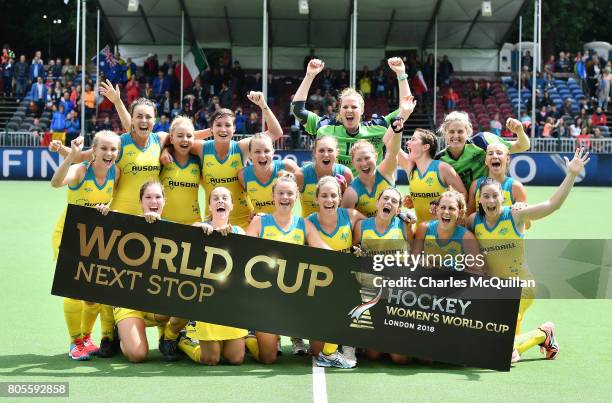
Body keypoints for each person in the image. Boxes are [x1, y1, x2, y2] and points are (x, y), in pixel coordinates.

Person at [466, 148, 590, 363]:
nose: (490, 200)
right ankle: (544, 333)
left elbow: (552, 205)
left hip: (520, 288)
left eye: (495, 196)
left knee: (503, 354)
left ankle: (540, 334)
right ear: (480, 199)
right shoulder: (473, 221)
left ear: (502, 198)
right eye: (486, 196)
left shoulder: (515, 215)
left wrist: (571, 175)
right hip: (494, 291)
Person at [245, 174, 331, 364]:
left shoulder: (304, 225)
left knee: (319, 353)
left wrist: (353, 260)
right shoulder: (259, 223)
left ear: (296, 197)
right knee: (268, 358)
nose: (285, 197)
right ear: (273, 196)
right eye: (281, 193)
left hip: (296, 299)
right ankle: (251, 338)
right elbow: (241, 252)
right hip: (266, 298)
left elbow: (327, 252)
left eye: (290, 193)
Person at [50, 132, 121, 361]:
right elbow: (55, 183)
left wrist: (108, 209)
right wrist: (71, 155)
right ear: (94, 150)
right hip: (69, 234)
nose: (109, 154)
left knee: (93, 295)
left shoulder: (115, 173)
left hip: (94, 239)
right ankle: (74, 341)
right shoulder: (81, 170)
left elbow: (113, 202)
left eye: (113, 150)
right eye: (104, 149)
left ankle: (87, 338)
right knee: (73, 289)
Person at [166, 187, 249, 366]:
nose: (220, 201)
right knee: (210, 359)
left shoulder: (240, 232)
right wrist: (200, 231)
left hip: (231, 305)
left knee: (236, 359)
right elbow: (190, 233)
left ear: (231, 206)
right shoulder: (201, 228)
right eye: (216, 198)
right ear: (210, 206)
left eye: (225, 198)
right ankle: (184, 341)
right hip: (206, 303)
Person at [291, 57, 412, 173]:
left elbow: (406, 107)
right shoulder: (324, 127)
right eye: (345, 107)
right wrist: (309, 76)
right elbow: (297, 110)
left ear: (362, 110)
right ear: (339, 110)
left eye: (354, 107)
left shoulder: (379, 127)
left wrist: (401, 74)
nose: (349, 110)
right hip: (335, 191)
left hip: (370, 191)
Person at [309, 176, 365, 368]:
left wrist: (401, 215)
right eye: (324, 196)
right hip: (321, 285)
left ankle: (349, 345)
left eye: (333, 195)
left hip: (347, 283)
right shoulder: (308, 222)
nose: (329, 200)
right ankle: (299, 337)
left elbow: (378, 226)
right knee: (317, 351)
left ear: (340, 198)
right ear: (316, 199)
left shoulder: (352, 216)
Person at [352, 187, 413, 364]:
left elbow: (413, 257)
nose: (389, 203)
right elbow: (354, 253)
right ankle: (368, 340)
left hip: (396, 297)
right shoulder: (362, 226)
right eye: (385, 198)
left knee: (399, 358)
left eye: (394, 201)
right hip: (371, 294)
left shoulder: (405, 225)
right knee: (373, 355)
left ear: (399, 209)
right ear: (377, 202)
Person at [340, 96, 413, 217]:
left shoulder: (385, 172)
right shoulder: (352, 192)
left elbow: (392, 151)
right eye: (359, 160)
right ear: (353, 163)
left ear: (375, 156)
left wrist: (397, 132)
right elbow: (345, 224)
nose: (364, 163)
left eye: (367, 158)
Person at [436, 112, 531, 190]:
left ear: (468, 132)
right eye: (451, 132)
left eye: (460, 131)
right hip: (458, 207)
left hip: (487, 201)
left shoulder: (482, 141)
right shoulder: (438, 160)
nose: (456, 136)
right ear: (445, 133)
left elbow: (523, 146)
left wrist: (519, 131)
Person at [399, 128, 466, 224]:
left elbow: (463, 194)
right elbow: (392, 146)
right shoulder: (411, 169)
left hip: (443, 233)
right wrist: (417, 201)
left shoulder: (442, 168)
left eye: (413, 139)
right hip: (420, 233)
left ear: (425, 147)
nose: (408, 142)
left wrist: (445, 204)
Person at [412, 190, 483, 274]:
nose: (446, 212)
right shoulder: (424, 228)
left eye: (451, 208)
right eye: (442, 207)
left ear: (460, 213)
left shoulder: (467, 237)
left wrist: (451, 270)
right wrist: (420, 261)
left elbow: (478, 273)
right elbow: (413, 259)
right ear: (437, 209)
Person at [238, 133, 301, 215]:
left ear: (273, 152)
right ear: (250, 154)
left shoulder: (288, 167)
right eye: (257, 151)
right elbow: (245, 202)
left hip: (291, 225)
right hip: (263, 226)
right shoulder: (243, 175)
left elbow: (305, 191)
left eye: (267, 151)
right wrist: (252, 214)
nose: (262, 155)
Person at [158, 116, 202, 225]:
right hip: (165, 223)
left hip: (193, 225)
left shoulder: (199, 160)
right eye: (180, 136)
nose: (185, 140)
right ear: (171, 139)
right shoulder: (161, 160)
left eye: (189, 136)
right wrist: (165, 150)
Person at [467, 142, 527, 216]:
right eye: (490, 153)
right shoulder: (475, 185)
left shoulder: (515, 187)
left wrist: (520, 210)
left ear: (507, 158)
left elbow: (526, 223)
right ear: (485, 160)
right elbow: (468, 219)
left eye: (499, 153)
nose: (495, 156)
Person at [300, 135, 353, 218]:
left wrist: (343, 193)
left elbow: (348, 213)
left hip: (336, 228)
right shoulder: (302, 175)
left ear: (337, 152)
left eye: (330, 150)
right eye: (321, 150)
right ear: (315, 152)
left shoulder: (345, 174)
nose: (326, 154)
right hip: (308, 228)